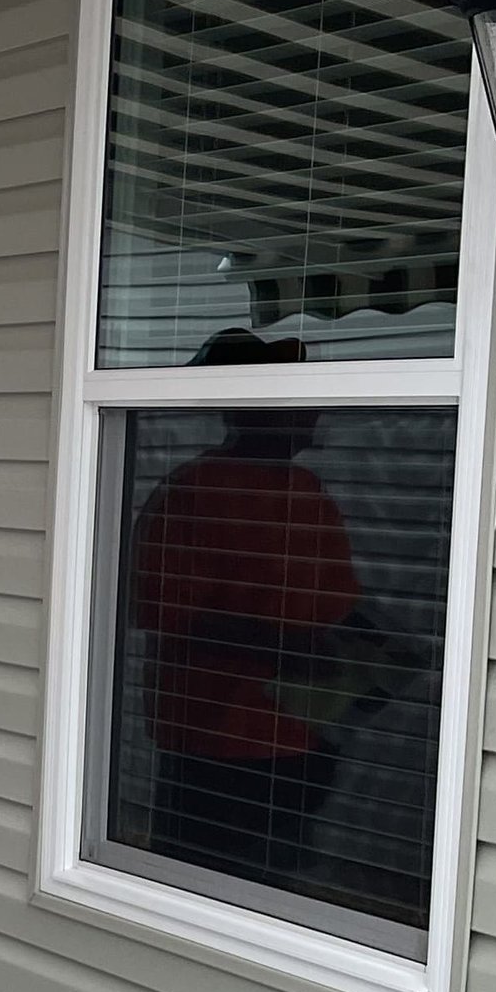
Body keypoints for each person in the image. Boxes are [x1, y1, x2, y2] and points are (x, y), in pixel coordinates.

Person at [129, 331, 366, 892]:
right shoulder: (195, 492)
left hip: (301, 736)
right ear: (255, 409)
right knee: (204, 884)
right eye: (296, 401)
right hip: (216, 737)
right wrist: (284, 646)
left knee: (277, 883)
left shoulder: (306, 492)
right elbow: (170, 612)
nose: (312, 415)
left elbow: (338, 601)